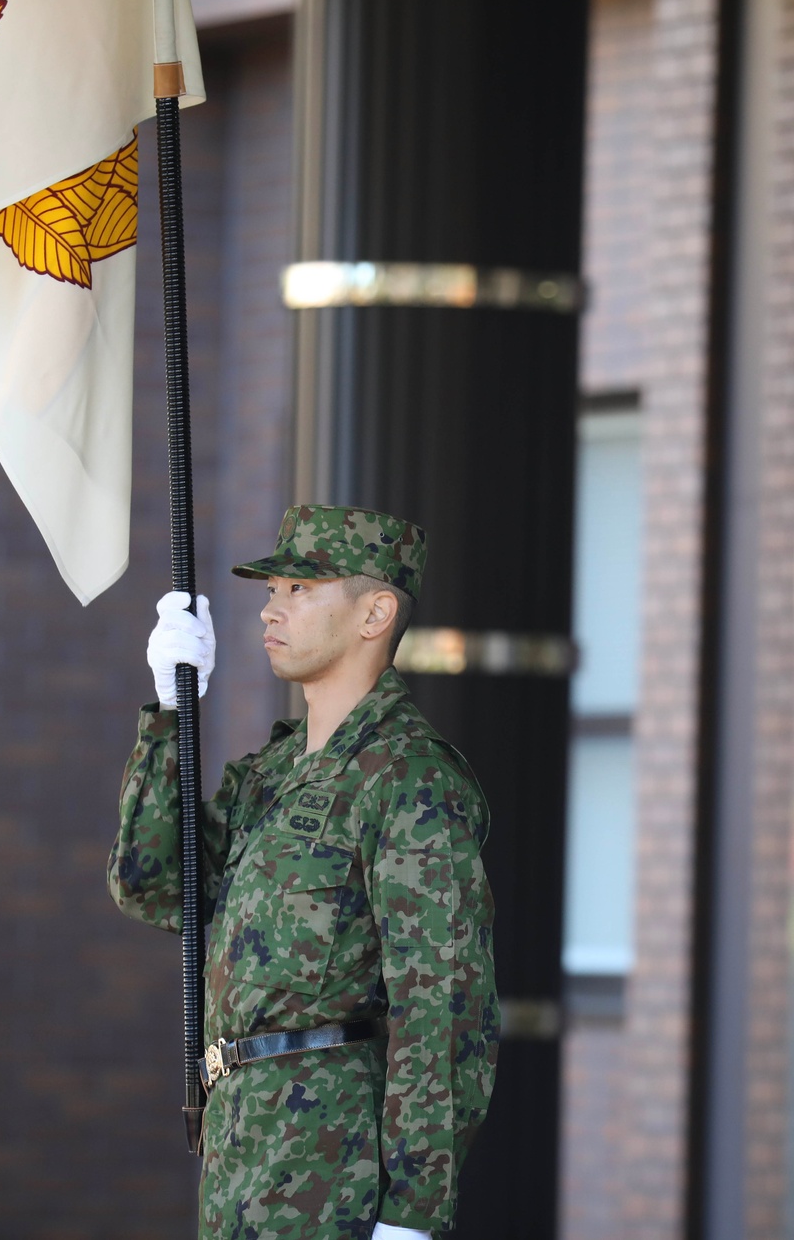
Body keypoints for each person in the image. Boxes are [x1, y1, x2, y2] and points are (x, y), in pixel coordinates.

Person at [108, 505, 497, 1240]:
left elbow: (443, 1004)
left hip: (332, 1166)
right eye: (271, 590)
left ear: (374, 612)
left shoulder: (407, 775)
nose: (270, 610)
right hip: (241, 1156)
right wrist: (170, 714)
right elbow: (153, 885)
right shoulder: (274, 771)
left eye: (299, 590)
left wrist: (411, 1214)